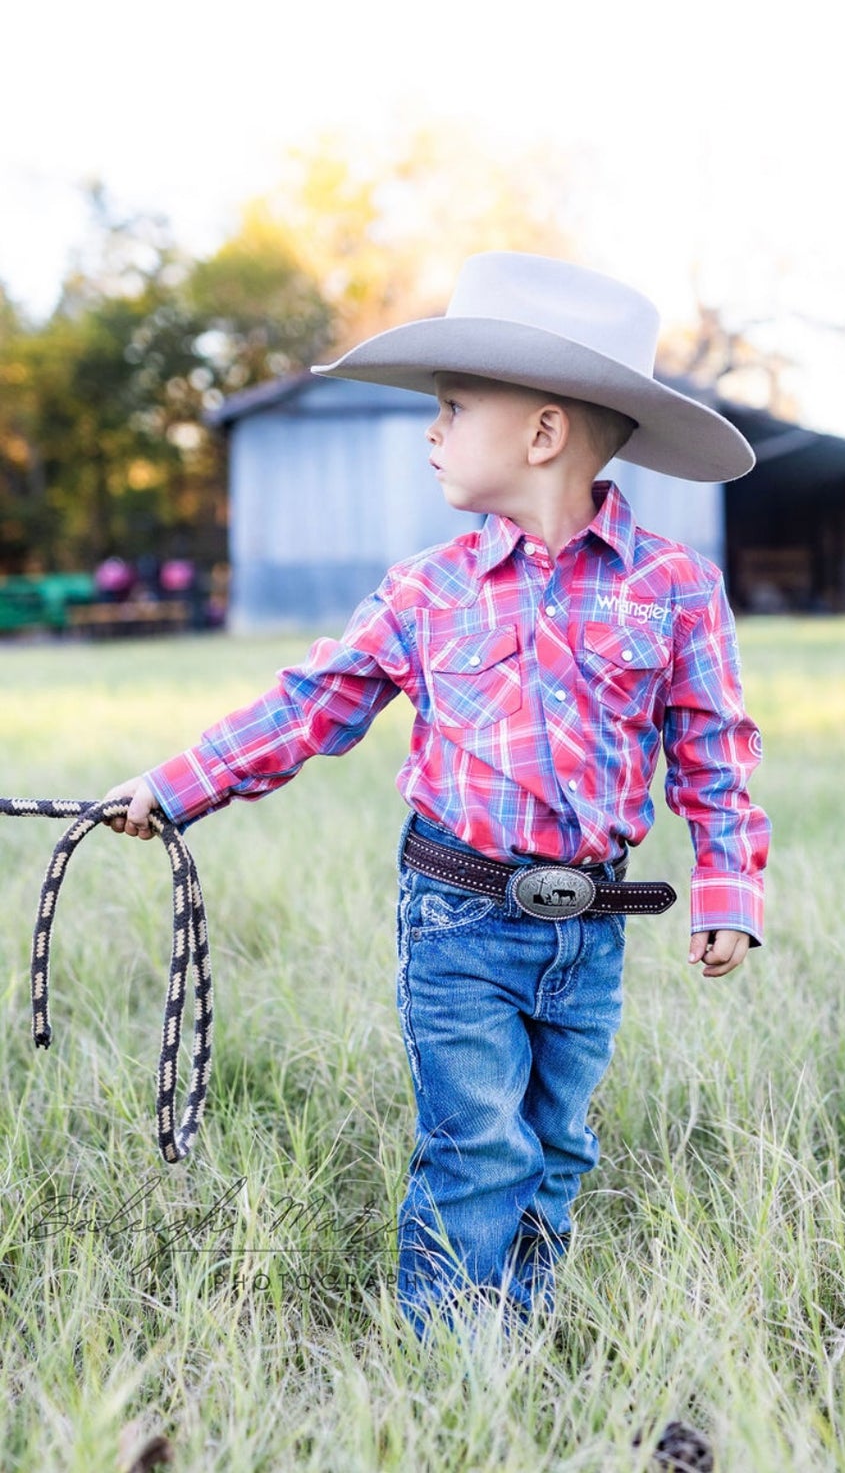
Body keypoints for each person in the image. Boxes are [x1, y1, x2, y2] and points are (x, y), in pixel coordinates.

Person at [105, 251, 770, 1335]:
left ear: (542, 433)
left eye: (454, 408)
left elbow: (714, 748)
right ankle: (454, 1358)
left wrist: (726, 888)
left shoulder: (675, 590)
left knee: (556, 1145)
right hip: (459, 919)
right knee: (478, 1144)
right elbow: (306, 706)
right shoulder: (428, 589)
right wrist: (175, 787)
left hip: (589, 925)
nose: (431, 431)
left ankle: (524, 1314)